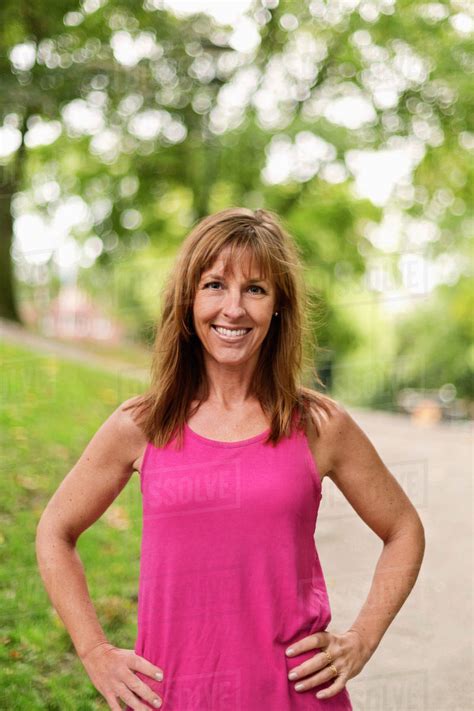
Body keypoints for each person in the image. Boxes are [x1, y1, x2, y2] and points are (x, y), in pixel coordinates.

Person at [36, 207, 425, 710]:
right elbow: (55, 530)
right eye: (215, 285)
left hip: (295, 698)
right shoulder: (142, 425)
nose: (234, 309)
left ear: (279, 307)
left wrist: (361, 639)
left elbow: (404, 529)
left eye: (256, 289)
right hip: (172, 699)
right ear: (187, 302)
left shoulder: (318, 425)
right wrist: (93, 651)